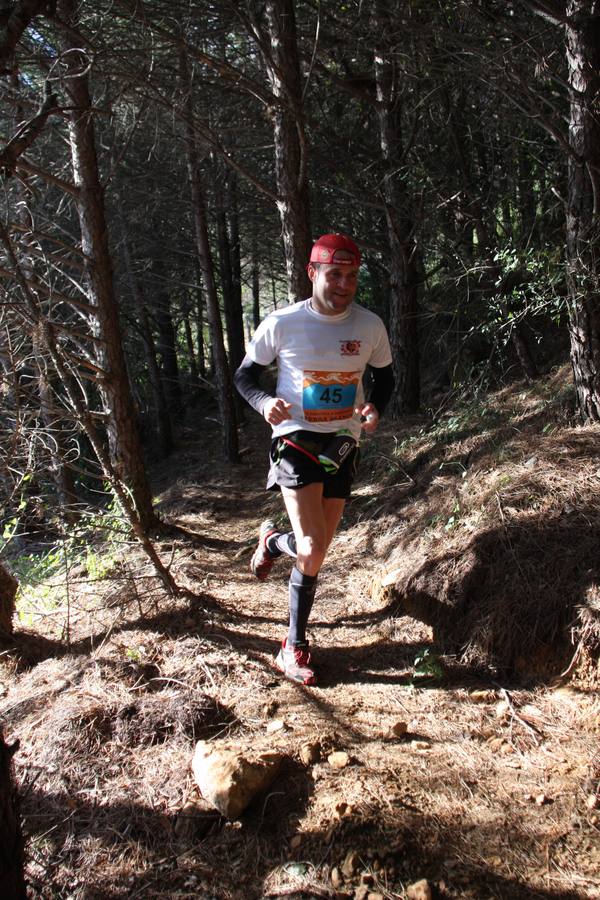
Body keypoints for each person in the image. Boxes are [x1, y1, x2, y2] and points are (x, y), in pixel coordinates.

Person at [234, 233, 394, 686]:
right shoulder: (283, 322)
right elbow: (245, 376)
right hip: (296, 439)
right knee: (312, 547)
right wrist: (265, 403)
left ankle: (269, 542)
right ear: (312, 273)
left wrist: (374, 408)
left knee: (316, 549)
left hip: (343, 443)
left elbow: (384, 377)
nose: (343, 284)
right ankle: (293, 645)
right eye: (334, 274)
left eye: (351, 276)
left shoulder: (369, 326)